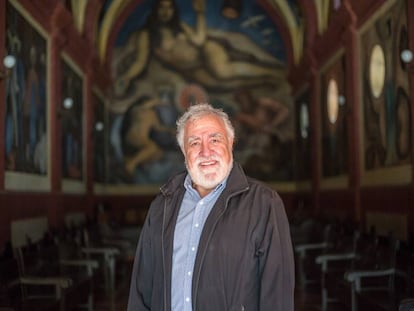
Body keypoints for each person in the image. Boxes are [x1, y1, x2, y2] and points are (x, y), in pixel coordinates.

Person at [127, 103, 295, 310]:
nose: (206, 152)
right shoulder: (162, 205)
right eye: (195, 142)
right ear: (183, 150)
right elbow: (141, 292)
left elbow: (277, 296)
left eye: (215, 139)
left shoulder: (264, 203)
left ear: (231, 142)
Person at [114, 0, 286, 95]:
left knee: (223, 72)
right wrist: (127, 77)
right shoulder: (147, 35)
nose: (166, 12)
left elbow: (199, 40)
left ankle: (275, 73)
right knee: (222, 86)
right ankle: (267, 81)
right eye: (162, 8)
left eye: (169, 8)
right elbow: (140, 60)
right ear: (156, 11)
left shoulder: (179, 26)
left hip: (206, 52)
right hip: (192, 70)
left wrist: (200, 14)